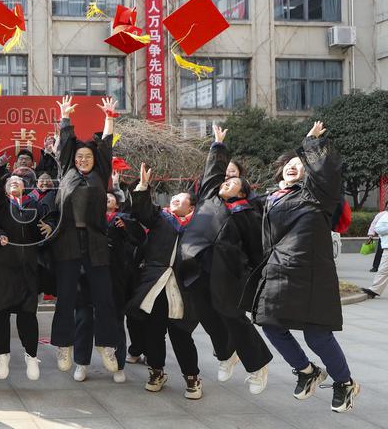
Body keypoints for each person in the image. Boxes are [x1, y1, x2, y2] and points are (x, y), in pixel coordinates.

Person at [248, 121, 360, 413]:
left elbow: (328, 171)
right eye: (289, 164)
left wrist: (312, 143)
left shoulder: (317, 195)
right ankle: (307, 371)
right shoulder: (271, 198)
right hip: (278, 273)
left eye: (300, 164)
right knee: (268, 323)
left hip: (311, 275)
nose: (292, 167)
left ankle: (345, 383)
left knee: (316, 334)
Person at [181, 125, 272, 394]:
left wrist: (258, 279)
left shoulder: (247, 212)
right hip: (194, 267)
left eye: (232, 180)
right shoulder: (209, 197)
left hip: (226, 272)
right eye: (224, 178)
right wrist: (218, 146)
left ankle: (257, 366)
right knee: (208, 316)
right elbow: (212, 171)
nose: (225, 181)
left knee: (232, 316)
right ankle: (226, 354)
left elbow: (256, 250)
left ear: (243, 190)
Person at [49, 96, 121, 376]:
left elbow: (105, 145)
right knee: (66, 297)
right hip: (67, 241)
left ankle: (107, 345)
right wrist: (65, 118)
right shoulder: (67, 169)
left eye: (87, 157)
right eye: (80, 157)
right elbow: (66, 144)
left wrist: (110, 118)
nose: (83, 160)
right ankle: (64, 345)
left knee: (103, 297)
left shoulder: (100, 174)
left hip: (96, 243)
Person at [128, 164, 203, 400]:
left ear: (191, 206)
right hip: (156, 283)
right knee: (153, 331)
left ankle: (192, 377)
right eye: (174, 198)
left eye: (180, 200)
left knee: (181, 335)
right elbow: (141, 211)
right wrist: (142, 187)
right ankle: (156, 372)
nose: (174, 201)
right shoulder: (161, 218)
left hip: (183, 287)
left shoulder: (199, 225)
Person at [0, 153, 54, 380]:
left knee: (28, 314)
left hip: (28, 268)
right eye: (11, 182)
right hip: (3, 267)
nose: (15, 184)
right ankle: (2, 355)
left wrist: (49, 226)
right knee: (0, 313)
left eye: (19, 182)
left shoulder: (34, 206)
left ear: (25, 188)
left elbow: (53, 216)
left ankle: (31, 355)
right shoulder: (1, 206)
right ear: (4, 189)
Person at [73, 191, 143, 383]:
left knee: (115, 321)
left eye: (110, 198)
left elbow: (139, 238)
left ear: (117, 204)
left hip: (114, 279)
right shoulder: (86, 219)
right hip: (87, 277)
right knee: (83, 320)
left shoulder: (124, 219)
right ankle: (81, 362)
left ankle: (119, 366)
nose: (105, 199)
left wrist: (127, 227)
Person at [364, 210, 388, 297]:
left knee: (383, 270)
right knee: (383, 270)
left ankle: (374, 290)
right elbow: (378, 228)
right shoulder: (384, 216)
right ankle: (374, 290)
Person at [366, 207, 387, 274]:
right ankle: (375, 266)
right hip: (383, 238)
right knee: (380, 252)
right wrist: (371, 235)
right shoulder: (381, 214)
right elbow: (374, 224)